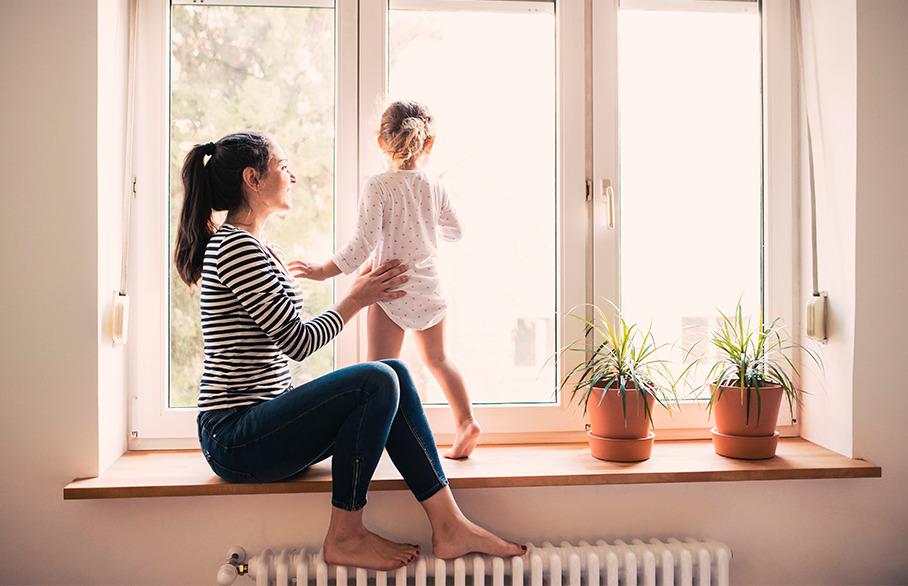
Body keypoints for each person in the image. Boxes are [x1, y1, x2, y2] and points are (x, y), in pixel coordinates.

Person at [173, 131, 525, 571]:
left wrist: (355, 293)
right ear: (253, 179)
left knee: (391, 371)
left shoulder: (258, 247)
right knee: (377, 378)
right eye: (283, 167)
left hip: (260, 424)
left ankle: (449, 524)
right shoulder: (236, 248)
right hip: (234, 437)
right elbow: (297, 341)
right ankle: (345, 534)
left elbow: (280, 338)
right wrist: (356, 298)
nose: (293, 175)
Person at [297, 100, 480, 459]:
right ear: (429, 144)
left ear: (381, 142)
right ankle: (466, 422)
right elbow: (456, 232)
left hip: (388, 289)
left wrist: (322, 271)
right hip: (429, 288)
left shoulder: (378, 186)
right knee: (439, 360)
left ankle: (375, 441)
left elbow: (361, 246)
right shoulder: (434, 186)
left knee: (377, 374)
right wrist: (425, 229)